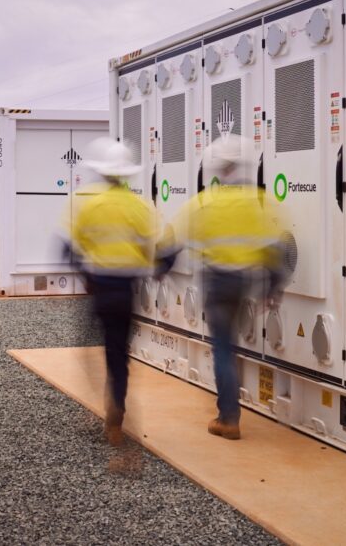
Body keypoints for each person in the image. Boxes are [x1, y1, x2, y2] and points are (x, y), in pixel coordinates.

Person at [176, 134, 284, 440]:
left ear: (217, 169)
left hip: (216, 282)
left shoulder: (203, 202)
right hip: (243, 283)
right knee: (232, 345)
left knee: (222, 348)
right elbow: (274, 249)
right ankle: (229, 412)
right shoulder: (259, 202)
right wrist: (273, 288)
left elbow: (174, 242)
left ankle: (228, 417)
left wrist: (159, 268)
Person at [65, 138, 171, 450]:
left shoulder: (88, 203)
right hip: (127, 289)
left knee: (89, 350)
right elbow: (163, 247)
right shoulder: (139, 205)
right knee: (118, 353)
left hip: (100, 287)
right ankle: (118, 409)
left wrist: (85, 276)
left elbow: (69, 247)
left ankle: (105, 404)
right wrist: (159, 268)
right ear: (126, 174)